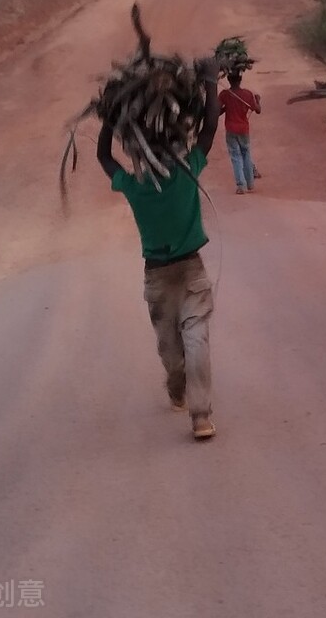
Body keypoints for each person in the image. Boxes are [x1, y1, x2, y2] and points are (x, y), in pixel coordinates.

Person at [97, 58, 220, 441]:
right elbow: (210, 126)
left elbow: (103, 156)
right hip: (190, 269)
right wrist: (212, 83)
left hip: (158, 274)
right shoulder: (188, 171)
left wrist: (110, 114)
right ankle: (195, 409)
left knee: (173, 347)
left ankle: (192, 405)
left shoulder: (135, 186)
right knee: (193, 339)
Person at [219, 69, 262, 195]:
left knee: (236, 157)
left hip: (231, 129)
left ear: (228, 80)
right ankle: (250, 184)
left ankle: (241, 186)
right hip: (244, 129)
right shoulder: (248, 94)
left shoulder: (225, 94)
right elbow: (258, 110)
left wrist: (226, 108)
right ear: (240, 79)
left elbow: (216, 111)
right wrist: (258, 100)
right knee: (246, 155)